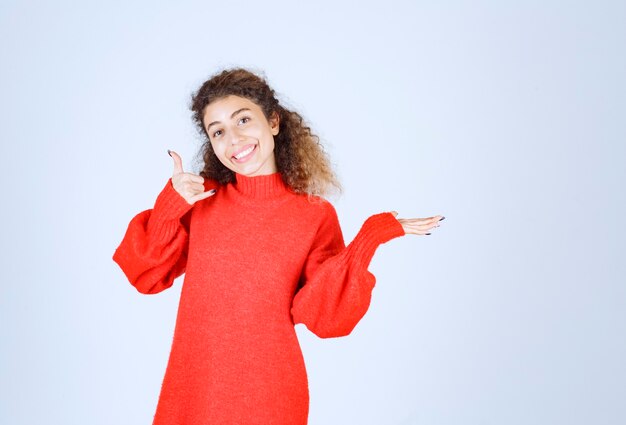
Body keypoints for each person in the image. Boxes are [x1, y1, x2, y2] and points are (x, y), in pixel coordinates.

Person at [112, 67, 445, 425]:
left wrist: (368, 240)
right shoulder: (201, 202)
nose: (234, 138)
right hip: (194, 390)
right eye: (218, 131)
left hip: (271, 394)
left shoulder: (313, 215)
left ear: (273, 122)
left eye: (243, 120)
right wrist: (169, 206)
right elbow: (145, 275)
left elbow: (325, 316)